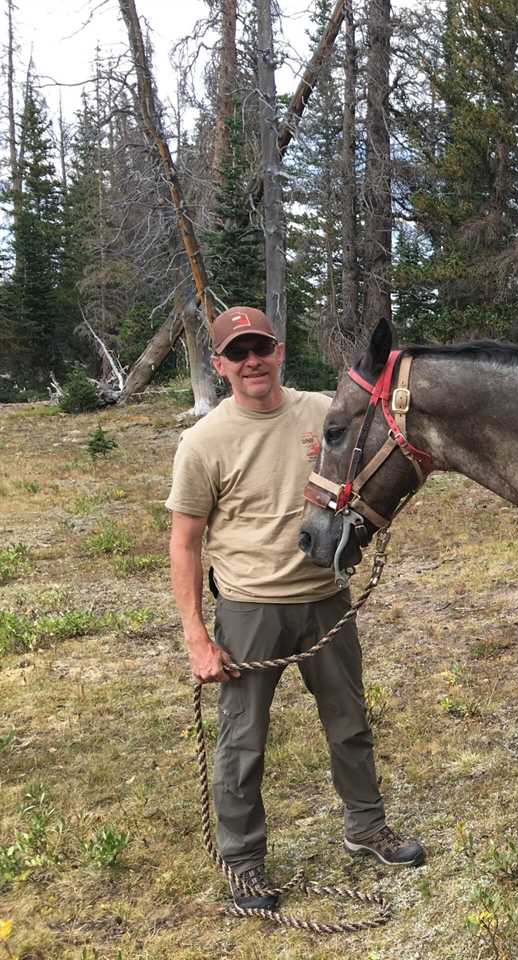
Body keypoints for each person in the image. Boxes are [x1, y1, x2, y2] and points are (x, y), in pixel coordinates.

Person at [166, 306, 424, 911]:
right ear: (219, 364)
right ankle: (244, 860)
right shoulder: (203, 442)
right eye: (238, 353)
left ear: (278, 350)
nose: (251, 361)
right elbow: (184, 541)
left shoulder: (322, 413)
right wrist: (196, 638)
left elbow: (372, 456)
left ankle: (365, 827)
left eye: (260, 348)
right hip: (250, 611)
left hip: (325, 600)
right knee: (243, 739)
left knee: (350, 724)